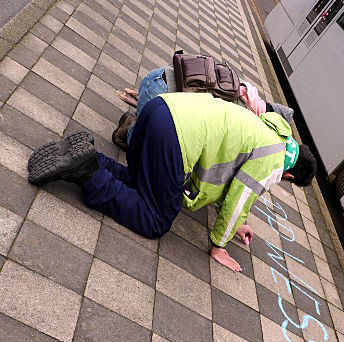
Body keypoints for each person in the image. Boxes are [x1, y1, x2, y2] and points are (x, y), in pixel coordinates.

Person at [27, 92, 317, 272]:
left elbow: (232, 171)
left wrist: (238, 222)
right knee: (157, 220)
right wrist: (219, 244)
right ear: (290, 176)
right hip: (174, 137)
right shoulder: (275, 161)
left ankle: (90, 158)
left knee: (142, 184)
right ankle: (87, 174)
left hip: (161, 108)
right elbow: (239, 197)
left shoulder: (270, 129)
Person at [112, 64, 295, 150]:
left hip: (156, 76)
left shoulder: (246, 91)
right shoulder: (245, 118)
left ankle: (141, 119)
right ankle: (131, 130)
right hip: (158, 98)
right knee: (154, 156)